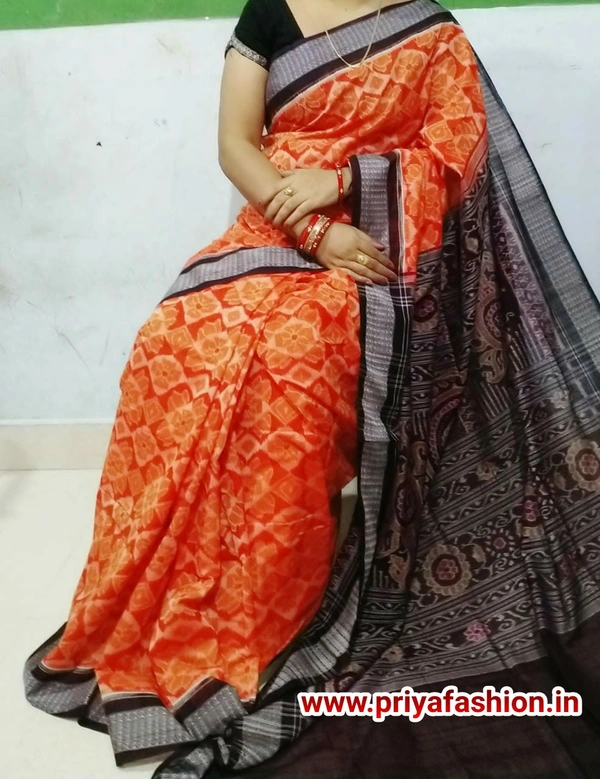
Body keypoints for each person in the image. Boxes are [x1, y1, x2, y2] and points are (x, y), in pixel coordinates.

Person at [25, 1, 600, 777]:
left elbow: (454, 153)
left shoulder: (428, 27)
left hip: (382, 238)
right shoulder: (269, 10)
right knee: (172, 338)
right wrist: (312, 228)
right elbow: (236, 144)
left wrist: (347, 182)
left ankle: (265, 615)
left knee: (293, 355)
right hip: (278, 228)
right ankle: (163, 586)